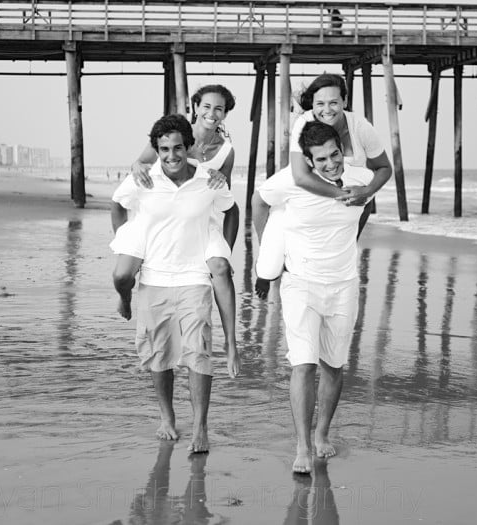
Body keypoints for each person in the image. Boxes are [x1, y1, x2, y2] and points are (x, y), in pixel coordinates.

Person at [252, 121, 380, 474]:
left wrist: (348, 243)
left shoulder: (361, 177)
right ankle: (303, 446)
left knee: (334, 365)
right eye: (320, 159)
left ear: (342, 148)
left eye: (334, 154)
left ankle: (322, 434)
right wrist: (269, 254)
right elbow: (258, 202)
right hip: (300, 282)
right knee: (303, 363)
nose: (330, 164)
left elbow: (365, 207)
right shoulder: (289, 181)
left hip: (344, 284)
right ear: (307, 160)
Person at [111, 114, 240, 451]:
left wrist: (225, 250)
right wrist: (126, 241)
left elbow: (232, 209)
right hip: (154, 277)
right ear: (156, 149)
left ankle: (200, 427)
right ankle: (167, 416)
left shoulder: (209, 180)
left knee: (198, 351)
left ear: (188, 146)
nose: (171, 156)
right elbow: (117, 204)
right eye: (164, 149)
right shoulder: (143, 178)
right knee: (160, 355)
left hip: (194, 277)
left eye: (178, 148)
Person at [122, 85, 239, 357]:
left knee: (220, 268)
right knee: (128, 271)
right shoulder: (174, 135)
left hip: (201, 219)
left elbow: (226, 199)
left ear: (225, 114)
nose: (211, 113)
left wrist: (227, 250)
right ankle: (126, 298)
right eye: (206, 106)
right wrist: (137, 166)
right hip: (164, 213)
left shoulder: (226, 151)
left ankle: (232, 343)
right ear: (195, 107)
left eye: (219, 108)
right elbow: (139, 163)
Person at [254, 73, 392, 297]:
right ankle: (268, 261)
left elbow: (384, 168)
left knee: (366, 194)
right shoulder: (304, 121)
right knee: (264, 205)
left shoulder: (361, 127)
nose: (327, 109)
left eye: (334, 102)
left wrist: (366, 192)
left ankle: (350, 241)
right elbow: (300, 176)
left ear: (344, 102)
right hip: (309, 177)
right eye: (320, 103)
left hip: (345, 177)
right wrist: (344, 195)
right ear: (313, 105)